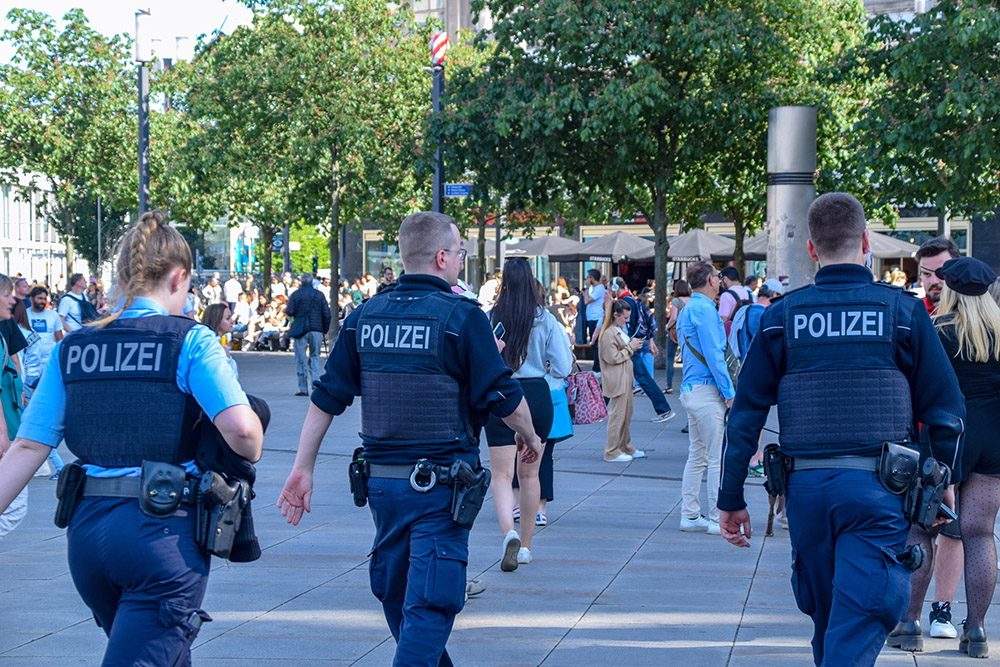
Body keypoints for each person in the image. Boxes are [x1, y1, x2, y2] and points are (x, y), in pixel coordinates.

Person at [276, 211, 542, 667]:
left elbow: (326, 398)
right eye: (460, 252)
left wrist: (302, 468)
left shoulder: (364, 317)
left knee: (399, 600)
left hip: (383, 488)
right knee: (430, 604)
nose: (462, 259)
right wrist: (531, 436)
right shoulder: (462, 318)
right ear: (442, 257)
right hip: (441, 488)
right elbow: (506, 397)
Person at [0, 211, 264, 664]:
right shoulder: (191, 341)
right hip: (162, 534)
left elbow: (26, 447)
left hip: (88, 535)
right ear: (179, 277)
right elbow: (241, 430)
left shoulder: (74, 346)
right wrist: (253, 434)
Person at [718, 193, 966, 667]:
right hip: (880, 491)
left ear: (811, 249)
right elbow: (946, 411)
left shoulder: (781, 317)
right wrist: (940, 484)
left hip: (807, 493)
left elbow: (745, 415)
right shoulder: (902, 312)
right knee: (854, 623)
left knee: (829, 620)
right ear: (866, 243)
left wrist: (731, 497)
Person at [888, 257, 1000, 658]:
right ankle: (977, 632)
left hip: (944, 442)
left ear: (949, 290)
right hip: (994, 445)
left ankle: (909, 624)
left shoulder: (936, 332)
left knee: (921, 530)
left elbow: (916, 393)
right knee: (980, 533)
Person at [486, 258, 571, 569]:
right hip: (536, 393)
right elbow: (562, 366)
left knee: (501, 474)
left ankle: (508, 531)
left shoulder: (491, 317)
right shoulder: (546, 319)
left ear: (503, 282)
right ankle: (526, 546)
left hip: (501, 392)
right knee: (530, 474)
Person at [676, 262, 735, 534]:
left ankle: (690, 514)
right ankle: (714, 517)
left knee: (697, 455)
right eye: (718, 277)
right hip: (707, 389)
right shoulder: (706, 310)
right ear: (712, 280)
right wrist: (730, 393)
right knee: (715, 457)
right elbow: (715, 356)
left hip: (691, 388)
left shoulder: (689, 309)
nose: (719, 282)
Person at [612, 277, 675, 424]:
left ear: (615, 288)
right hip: (632, 344)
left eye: (610, 288)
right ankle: (664, 409)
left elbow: (627, 324)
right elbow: (647, 319)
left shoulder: (624, 302)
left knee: (639, 377)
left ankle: (664, 408)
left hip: (628, 345)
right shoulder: (633, 300)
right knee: (628, 376)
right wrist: (650, 340)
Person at [599, 299, 645, 462]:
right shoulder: (609, 334)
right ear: (615, 315)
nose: (627, 321)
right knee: (618, 416)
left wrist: (631, 347)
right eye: (625, 318)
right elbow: (612, 357)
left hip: (624, 378)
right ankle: (611, 451)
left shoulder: (616, 330)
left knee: (625, 415)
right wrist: (631, 347)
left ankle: (624, 446)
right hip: (617, 379)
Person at [0, 274, 26, 537]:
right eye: (7, 294)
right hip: (6, 432)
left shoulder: (4, 330)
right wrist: (3, 433)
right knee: (16, 505)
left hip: (10, 425)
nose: (13, 300)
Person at [284, 273, 331, 396]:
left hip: (300, 330)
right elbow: (326, 313)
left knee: (301, 359)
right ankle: (315, 383)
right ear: (311, 282)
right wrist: (325, 329)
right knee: (315, 356)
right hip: (316, 329)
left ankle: (302, 387)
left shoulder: (296, 295)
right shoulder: (319, 295)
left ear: (300, 282)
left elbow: (289, 311)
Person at [916, 237, 961, 316]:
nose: (934, 281)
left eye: (941, 273)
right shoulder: (912, 312)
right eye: (926, 274)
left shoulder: (973, 314)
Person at [664, 279, 690, 394]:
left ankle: (669, 385)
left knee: (670, 359)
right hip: (688, 332)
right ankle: (687, 384)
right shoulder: (691, 300)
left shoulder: (676, 301)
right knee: (687, 359)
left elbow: (673, 317)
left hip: (676, 331)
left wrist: (667, 326)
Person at [202, 303, 239, 380]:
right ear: (217, 320)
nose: (232, 321)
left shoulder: (207, 343)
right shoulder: (216, 349)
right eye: (227, 318)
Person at [582, 269, 606, 373]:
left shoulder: (599, 288)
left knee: (595, 343)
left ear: (592, 278)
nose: (586, 279)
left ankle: (597, 368)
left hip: (596, 318)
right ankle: (597, 367)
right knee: (594, 344)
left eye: (588, 277)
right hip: (591, 317)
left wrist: (587, 288)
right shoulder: (594, 288)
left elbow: (587, 301)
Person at [718, 266, 753, 335]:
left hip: (733, 335)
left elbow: (722, 320)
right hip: (748, 333)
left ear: (725, 279)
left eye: (721, 281)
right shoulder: (750, 294)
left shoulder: (726, 295)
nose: (721, 284)